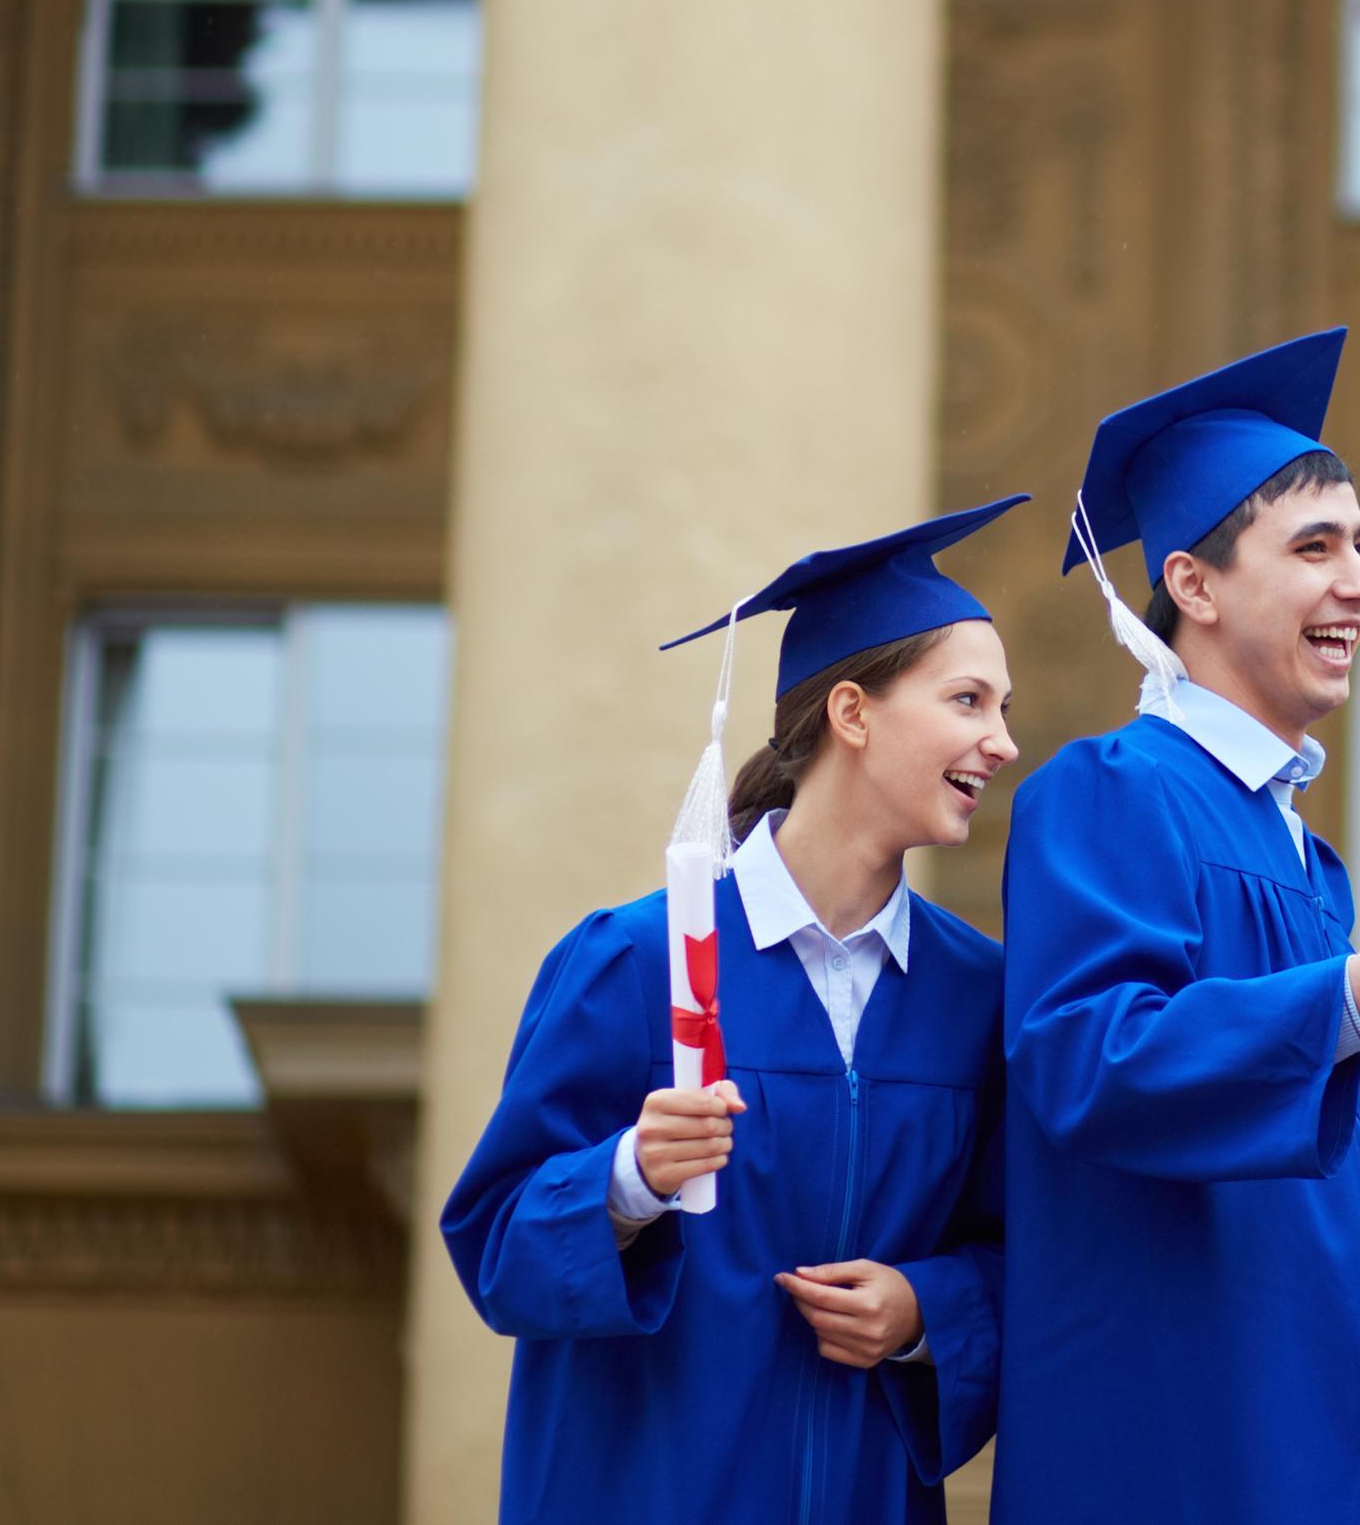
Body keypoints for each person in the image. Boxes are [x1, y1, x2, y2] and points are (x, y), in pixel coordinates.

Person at [993, 329, 1360, 1525]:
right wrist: (1343, 1004)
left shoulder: (1297, 846)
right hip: (1193, 1447)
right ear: (1195, 584)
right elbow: (1085, 1060)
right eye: (1313, 546)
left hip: (1334, 1439)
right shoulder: (1111, 791)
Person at [441, 495, 1031, 1525]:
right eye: (970, 701)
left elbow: (1023, 1252)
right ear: (853, 713)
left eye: (1002, 709)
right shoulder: (635, 958)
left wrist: (922, 1311)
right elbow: (495, 1245)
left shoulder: (974, 995)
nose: (1003, 743)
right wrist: (629, 1178)